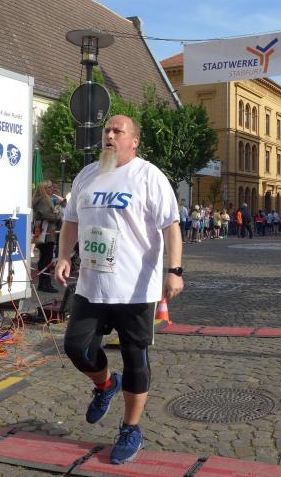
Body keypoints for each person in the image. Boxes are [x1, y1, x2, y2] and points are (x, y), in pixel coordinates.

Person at [54, 115, 183, 464]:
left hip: (134, 288)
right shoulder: (87, 175)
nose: (109, 135)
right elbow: (70, 221)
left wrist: (174, 271)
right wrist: (64, 256)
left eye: (117, 131)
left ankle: (130, 428)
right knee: (76, 348)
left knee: (135, 358)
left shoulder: (148, 176)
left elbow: (171, 226)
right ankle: (106, 384)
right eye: (106, 131)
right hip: (92, 285)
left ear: (134, 141)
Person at [32, 180, 60, 293]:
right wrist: (57, 215)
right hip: (47, 233)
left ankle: (42, 283)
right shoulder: (44, 200)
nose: (52, 189)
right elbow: (48, 215)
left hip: (42, 232)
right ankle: (46, 284)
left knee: (44, 258)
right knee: (47, 259)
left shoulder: (39, 199)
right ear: (44, 189)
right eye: (49, 187)